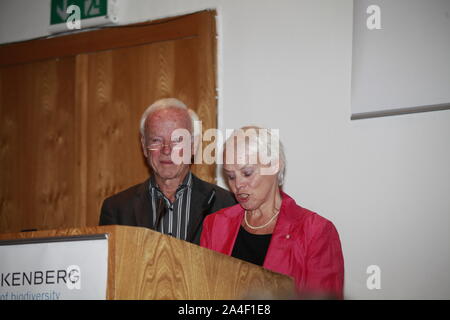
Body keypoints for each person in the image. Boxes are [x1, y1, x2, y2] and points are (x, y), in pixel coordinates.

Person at [200, 126, 344, 299]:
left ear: (275, 165)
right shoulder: (215, 224)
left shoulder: (315, 231)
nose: (238, 185)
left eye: (247, 173)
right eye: (230, 176)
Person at [99, 98, 236, 244]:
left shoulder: (226, 206)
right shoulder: (117, 209)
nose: (166, 149)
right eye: (156, 140)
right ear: (144, 146)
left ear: (194, 145)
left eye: (177, 140)